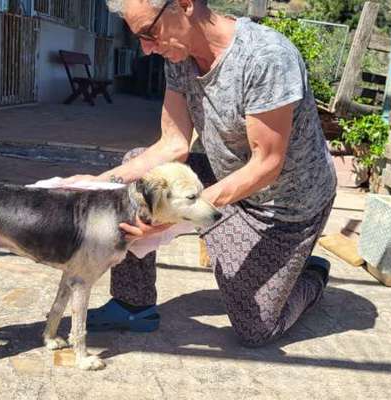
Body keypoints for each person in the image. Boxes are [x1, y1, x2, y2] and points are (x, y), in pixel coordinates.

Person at [62, 0, 337, 347]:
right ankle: (133, 305)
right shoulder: (178, 58)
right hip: (228, 178)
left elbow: (267, 163)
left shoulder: (266, 56)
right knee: (139, 177)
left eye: (149, 33)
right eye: (140, 39)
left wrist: (176, 216)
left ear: (185, 5)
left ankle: (309, 274)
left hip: (284, 207)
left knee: (255, 329)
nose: (147, 49)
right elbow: (172, 144)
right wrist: (95, 184)